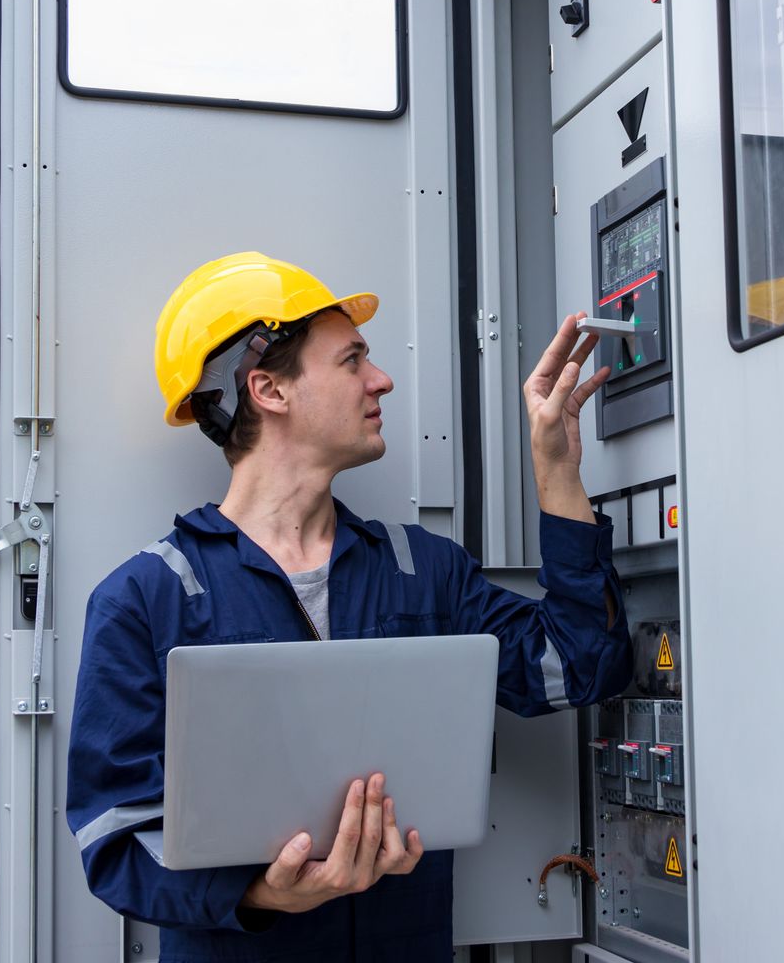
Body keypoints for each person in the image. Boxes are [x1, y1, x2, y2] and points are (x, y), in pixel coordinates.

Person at [65, 251, 634, 961]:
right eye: (353, 359)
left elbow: (581, 667)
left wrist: (555, 470)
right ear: (268, 388)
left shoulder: (421, 570)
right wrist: (263, 893)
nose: (382, 379)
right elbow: (114, 836)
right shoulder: (147, 598)